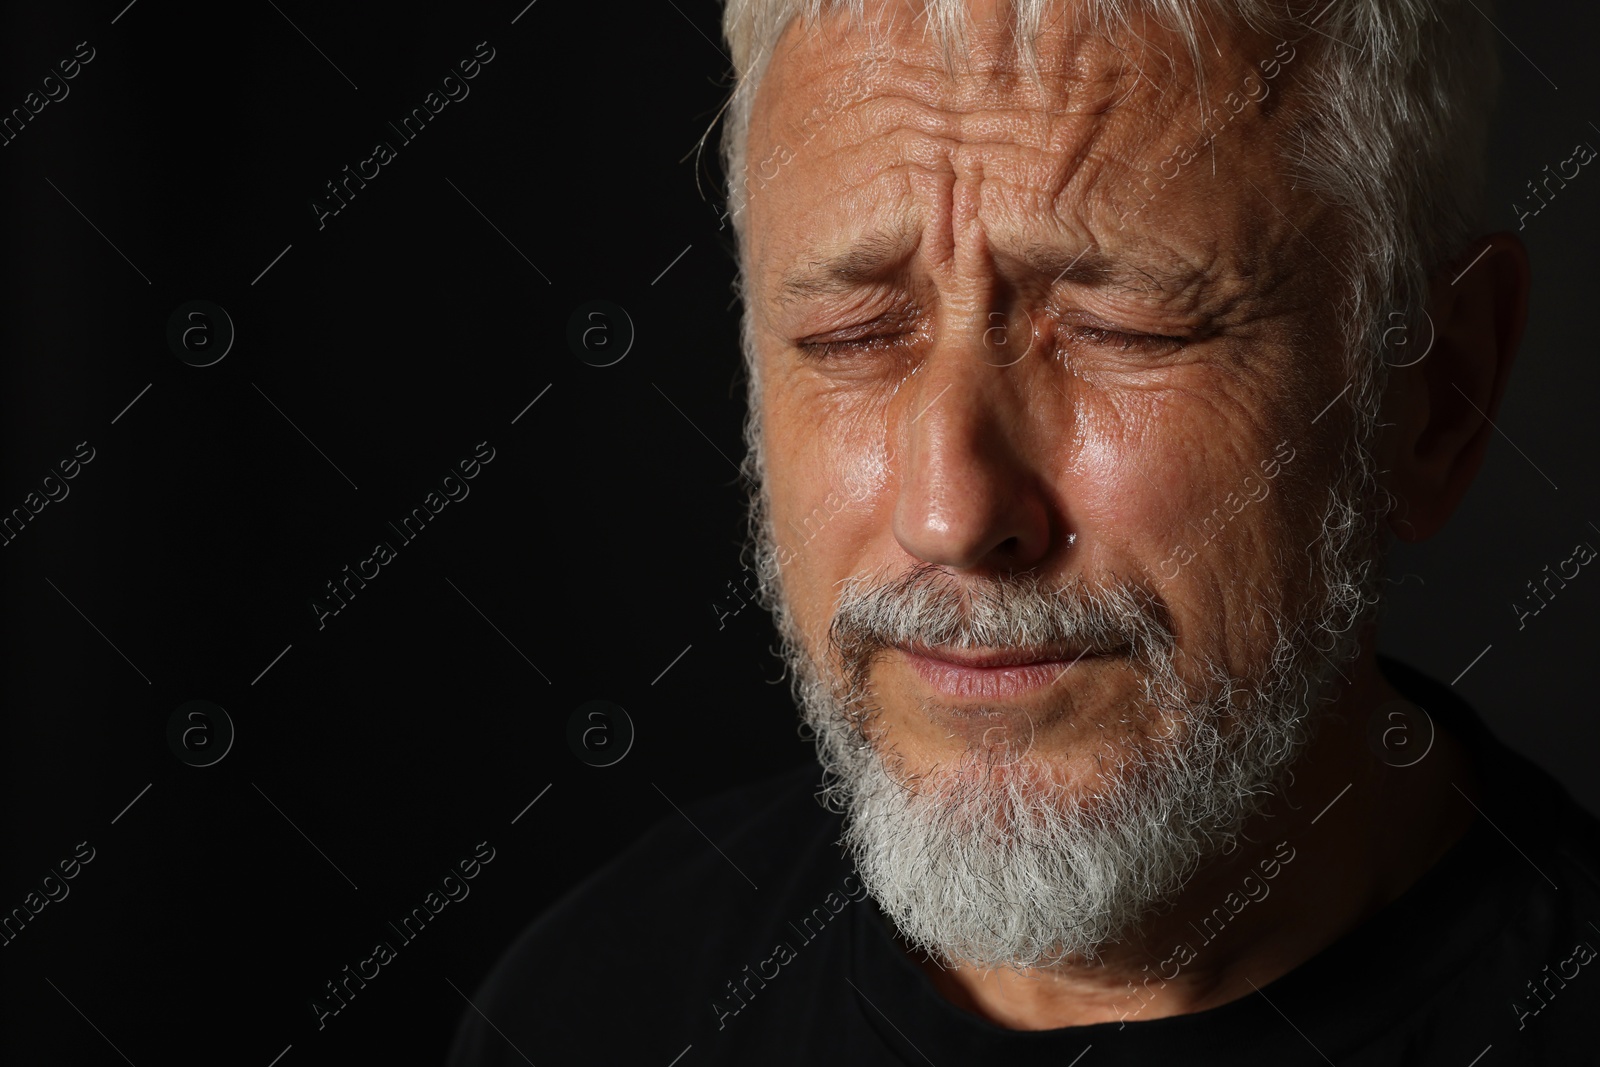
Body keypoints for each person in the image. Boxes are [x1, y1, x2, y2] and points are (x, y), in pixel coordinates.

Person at [449, 1, 1600, 1062]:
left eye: (1119, 327)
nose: (950, 513)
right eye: (852, 335)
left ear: (1436, 390)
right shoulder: (588, 1007)